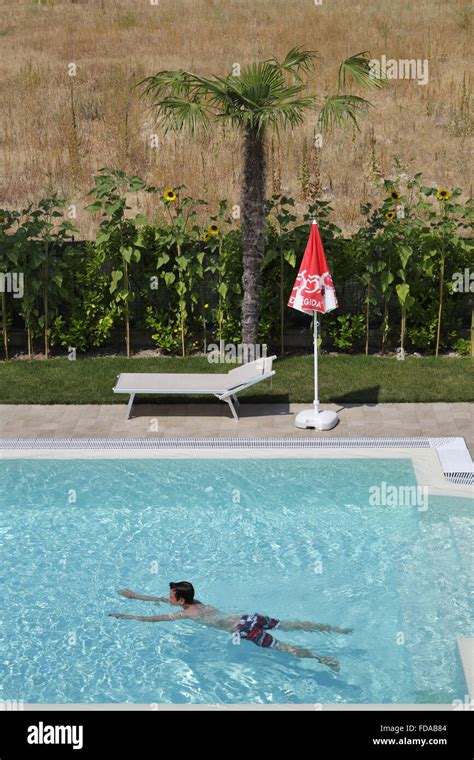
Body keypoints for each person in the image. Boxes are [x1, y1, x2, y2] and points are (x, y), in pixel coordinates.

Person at [109, 581, 352, 672]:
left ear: (181, 601)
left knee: (285, 647)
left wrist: (128, 617)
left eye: (172, 596)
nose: (168, 598)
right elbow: (160, 601)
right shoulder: (196, 603)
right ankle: (335, 630)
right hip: (250, 617)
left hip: (245, 630)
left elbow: (155, 619)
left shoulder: (187, 614)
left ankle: (323, 659)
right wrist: (135, 596)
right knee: (291, 625)